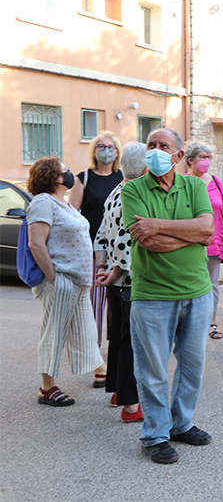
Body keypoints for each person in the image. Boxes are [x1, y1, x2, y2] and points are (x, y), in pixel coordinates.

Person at [121, 128, 215, 464]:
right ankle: (155, 434)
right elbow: (148, 241)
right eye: (151, 146)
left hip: (197, 292)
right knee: (153, 371)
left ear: (178, 156)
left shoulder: (193, 185)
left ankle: (181, 423)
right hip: (152, 295)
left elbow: (208, 229)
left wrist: (159, 224)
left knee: (192, 366)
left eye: (164, 146)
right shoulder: (132, 189)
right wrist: (191, 234)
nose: (156, 151)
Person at [26, 157, 104, 408]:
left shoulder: (65, 204)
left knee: (86, 331)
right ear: (55, 177)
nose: (70, 174)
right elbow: (36, 243)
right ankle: (46, 387)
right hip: (61, 280)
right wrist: (53, 277)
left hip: (78, 281)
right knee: (54, 332)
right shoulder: (42, 202)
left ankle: (101, 371)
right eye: (65, 171)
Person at [94, 142, 147, 422]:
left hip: (116, 278)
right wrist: (115, 270)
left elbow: (101, 234)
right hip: (128, 277)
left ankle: (117, 391)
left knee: (118, 336)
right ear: (143, 167)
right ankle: (130, 405)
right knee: (130, 342)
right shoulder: (133, 192)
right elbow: (129, 237)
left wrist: (103, 266)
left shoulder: (116, 189)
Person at [69, 131, 122, 385]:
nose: (106, 150)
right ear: (93, 151)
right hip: (91, 253)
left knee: (117, 309)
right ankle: (96, 362)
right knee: (94, 309)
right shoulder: (84, 178)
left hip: (119, 253)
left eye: (111, 147)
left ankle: (115, 360)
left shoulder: (124, 178)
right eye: (101, 146)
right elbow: (72, 216)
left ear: (118, 152)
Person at [184, 142, 223, 339]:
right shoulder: (182, 181)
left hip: (214, 239)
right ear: (190, 160)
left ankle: (212, 323)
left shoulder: (217, 182)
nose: (207, 161)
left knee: (212, 282)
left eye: (209, 157)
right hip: (189, 240)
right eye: (203, 157)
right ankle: (188, 321)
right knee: (188, 280)